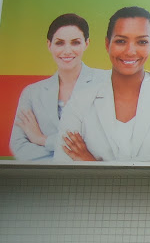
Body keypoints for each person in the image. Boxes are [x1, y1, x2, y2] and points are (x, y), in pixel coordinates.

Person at [54, 6, 150, 163]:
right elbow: (62, 163)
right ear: (107, 44)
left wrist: (90, 162)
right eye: (121, 41)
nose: (130, 51)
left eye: (141, 42)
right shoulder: (80, 101)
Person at [10, 14, 108, 161]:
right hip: (46, 174)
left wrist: (42, 140)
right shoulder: (32, 93)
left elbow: (104, 142)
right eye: (60, 43)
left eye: (75, 43)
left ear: (86, 43)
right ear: (49, 45)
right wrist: (63, 162)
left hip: (91, 173)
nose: (67, 51)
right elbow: (18, 146)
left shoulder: (106, 81)